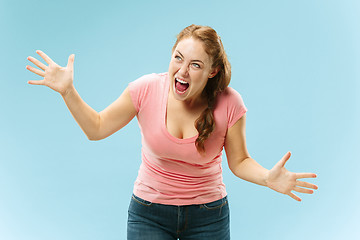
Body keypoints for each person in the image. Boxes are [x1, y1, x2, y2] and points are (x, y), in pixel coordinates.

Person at [26, 24, 318, 240]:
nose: (182, 71)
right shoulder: (145, 89)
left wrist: (268, 178)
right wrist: (67, 91)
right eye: (178, 58)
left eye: (195, 65)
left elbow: (239, 161)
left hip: (209, 216)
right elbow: (97, 128)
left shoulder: (230, 103)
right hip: (148, 213)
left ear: (212, 71)